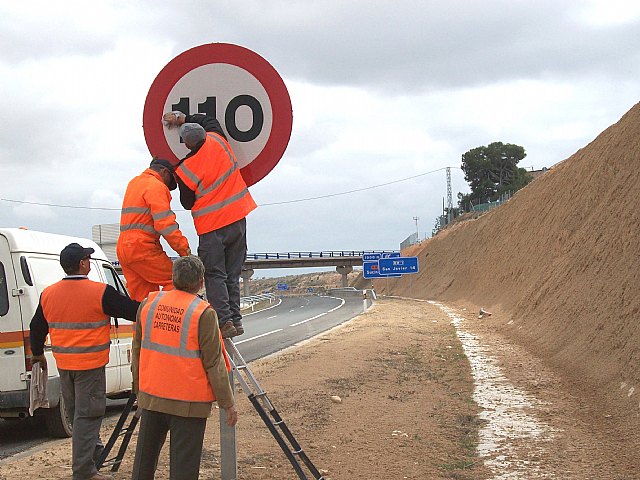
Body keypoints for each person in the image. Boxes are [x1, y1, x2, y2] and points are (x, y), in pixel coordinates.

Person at [30, 243, 140, 480]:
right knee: (88, 416)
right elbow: (133, 311)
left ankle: (95, 454)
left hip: (64, 365)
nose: (89, 262)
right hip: (89, 365)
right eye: (88, 259)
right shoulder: (100, 292)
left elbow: (36, 327)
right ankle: (84, 471)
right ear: (82, 263)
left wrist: (38, 354)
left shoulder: (48, 294)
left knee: (77, 414)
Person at [131, 255, 238, 480]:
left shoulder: (149, 304)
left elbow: (138, 350)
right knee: (184, 469)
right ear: (201, 282)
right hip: (188, 403)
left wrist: (138, 390)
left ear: (173, 278)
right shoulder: (203, 312)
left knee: (143, 463)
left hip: (152, 396)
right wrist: (227, 403)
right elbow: (214, 363)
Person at [162, 111, 257, 338]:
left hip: (212, 227)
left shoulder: (185, 168)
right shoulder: (218, 140)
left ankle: (225, 322)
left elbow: (187, 202)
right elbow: (208, 119)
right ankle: (236, 319)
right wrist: (183, 118)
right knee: (233, 274)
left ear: (186, 144)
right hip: (237, 220)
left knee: (215, 275)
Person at [116, 158, 191, 302]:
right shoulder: (156, 186)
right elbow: (165, 224)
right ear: (164, 172)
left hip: (124, 249)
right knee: (176, 280)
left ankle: (143, 324)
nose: (167, 187)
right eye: (169, 182)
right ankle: (166, 321)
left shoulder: (134, 183)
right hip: (142, 247)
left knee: (142, 300)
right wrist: (184, 251)